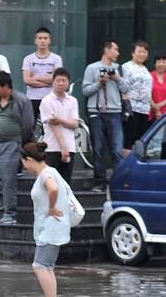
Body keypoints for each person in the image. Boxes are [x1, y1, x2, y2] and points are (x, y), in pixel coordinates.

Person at [0, 71, 34, 224]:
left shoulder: (21, 100)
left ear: (6, 86)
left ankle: (9, 214)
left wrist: (18, 141)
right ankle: (2, 194)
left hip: (11, 145)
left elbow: (28, 124)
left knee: (9, 180)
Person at [22, 141, 69, 297]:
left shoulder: (45, 174)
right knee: (47, 267)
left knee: (39, 266)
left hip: (51, 228)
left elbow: (53, 189)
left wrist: (52, 208)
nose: (24, 167)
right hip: (52, 228)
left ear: (29, 159)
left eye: (23, 163)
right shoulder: (51, 171)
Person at [83, 40, 124, 192]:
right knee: (98, 149)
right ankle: (100, 182)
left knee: (117, 150)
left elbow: (127, 88)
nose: (117, 53)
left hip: (114, 112)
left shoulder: (118, 68)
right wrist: (99, 84)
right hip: (96, 111)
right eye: (115, 49)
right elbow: (85, 91)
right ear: (107, 50)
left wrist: (117, 78)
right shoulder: (91, 68)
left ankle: (119, 183)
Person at [39, 68, 78, 181]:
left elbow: (75, 124)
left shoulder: (73, 101)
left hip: (70, 146)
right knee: (52, 183)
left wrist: (60, 120)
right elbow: (53, 124)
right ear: (53, 82)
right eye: (58, 80)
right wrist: (63, 148)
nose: (61, 83)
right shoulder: (47, 101)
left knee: (66, 184)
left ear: (68, 82)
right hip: (52, 148)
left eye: (64, 80)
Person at [22, 27, 63, 122]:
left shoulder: (56, 59)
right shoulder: (28, 59)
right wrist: (49, 81)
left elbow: (56, 79)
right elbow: (27, 80)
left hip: (50, 98)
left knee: (50, 127)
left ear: (49, 41)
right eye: (40, 38)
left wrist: (36, 77)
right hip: (32, 98)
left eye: (45, 38)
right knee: (29, 127)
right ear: (35, 41)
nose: (42, 41)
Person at [120, 41, 152, 151]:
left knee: (139, 139)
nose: (142, 54)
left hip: (144, 109)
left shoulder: (145, 69)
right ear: (133, 53)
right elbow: (122, 87)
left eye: (144, 52)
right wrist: (126, 106)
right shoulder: (126, 67)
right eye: (139, 51)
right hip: (132, 107)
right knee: (129, 139)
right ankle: (127, 167)